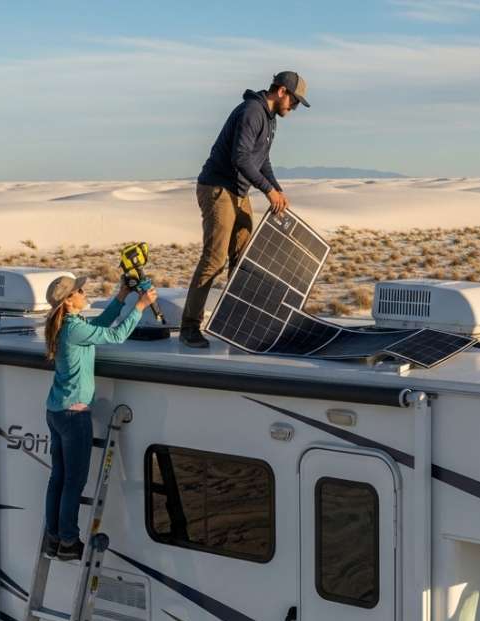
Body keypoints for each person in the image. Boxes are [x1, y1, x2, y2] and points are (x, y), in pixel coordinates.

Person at [180, 70, 311, 348]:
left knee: (243, 259)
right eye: (295, 101)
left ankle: (236, 324)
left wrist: (276, 188)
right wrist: (267, 190)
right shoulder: (252, 111)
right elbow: (240, 157)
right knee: (214, 260)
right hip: (219, 188)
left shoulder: (269, 119)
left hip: (239, 191)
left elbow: (261, 160)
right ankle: (189, 327)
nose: (294, 107)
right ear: (281, 92)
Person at [42, 275, 156, 560]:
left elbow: (99, 326)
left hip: (56, 411)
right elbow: (116, 336)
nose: (84, 292)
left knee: (58, 479)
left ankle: (53, 537)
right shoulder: (73, 329)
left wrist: (121, 298)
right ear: (68, 301)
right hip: (74, 415)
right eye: (79, 291)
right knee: (73, 483)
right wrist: (140, 306)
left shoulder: (67, 326)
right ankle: (69, 541)